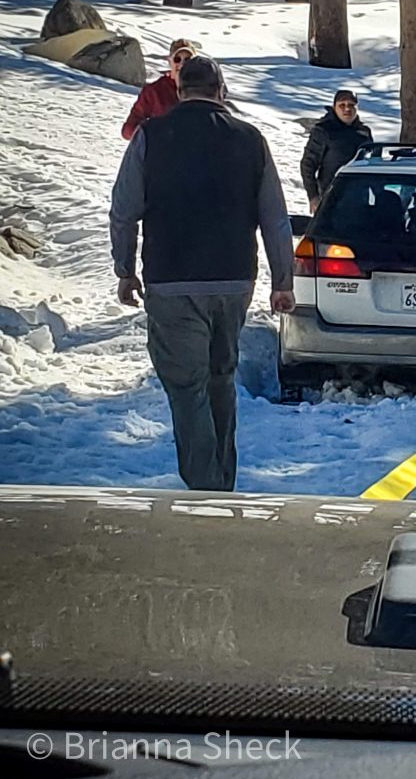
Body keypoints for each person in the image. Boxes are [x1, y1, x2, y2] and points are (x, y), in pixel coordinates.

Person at [110, 56, 295, 492]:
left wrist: (124, 269)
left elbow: (123, 211)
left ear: (179, 91)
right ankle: (221, 481)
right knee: (220, 378)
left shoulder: (150, 137)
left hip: (171, 281)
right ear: (221, 91)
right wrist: (282, 281)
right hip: (233, 280)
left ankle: (205, 488)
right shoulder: (250, 140)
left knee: (185, 384)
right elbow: (275, 218)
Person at [300, 89, 373, 213]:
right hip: (331, 199)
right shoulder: (323, 131)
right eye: (342, 105)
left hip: (360, 198)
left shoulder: (364, 133)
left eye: (351, 105)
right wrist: (313, 196)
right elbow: (308, 165)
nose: (347, 109)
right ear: (334, 108)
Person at [120, 38, 196, 140]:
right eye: (177, 59)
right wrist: (153, 134)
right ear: (169, 61)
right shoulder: (154, 91)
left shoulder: (206, 89)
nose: (182, 64)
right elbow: (128, 130)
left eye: (188, 60)